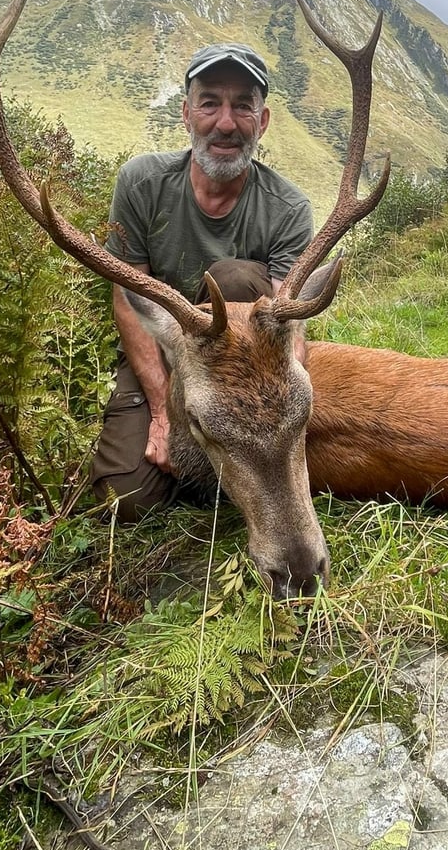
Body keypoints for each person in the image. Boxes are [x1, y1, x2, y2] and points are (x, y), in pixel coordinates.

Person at [91, 42, 314, 519]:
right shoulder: (142, 183)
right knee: (124, 499)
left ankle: (230, 454)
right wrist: (158, 414)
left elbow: (288, 325)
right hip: (161, 353)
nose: (226, 123)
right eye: (210, 102)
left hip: (243, 366)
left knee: (233, 277)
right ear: (186, 113)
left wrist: (289, 422)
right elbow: (128, 298)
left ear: (264, 120)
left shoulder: (289, 208)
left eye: (243, 106)